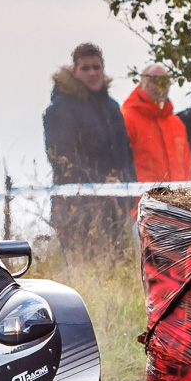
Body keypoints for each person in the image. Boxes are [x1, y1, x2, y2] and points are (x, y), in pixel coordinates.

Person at [42, 43, 135, 249]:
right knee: (84, 264)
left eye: (96, 67)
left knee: (121, 262)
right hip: (76, 209)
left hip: (117, 207)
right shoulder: (60, 109)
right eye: (85, 68)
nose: (92, 73)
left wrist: (129, 188)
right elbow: (60, 158)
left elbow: (126, 153)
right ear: (74, 71)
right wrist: (100, 181)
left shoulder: (112, 107)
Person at [121, 63, 191, 182]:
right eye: (154, 81)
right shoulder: (126, 119)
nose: (160, 87)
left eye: (165, 82)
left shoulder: (176, 123)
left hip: (178, 193)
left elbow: (187, 167)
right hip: (143, 193)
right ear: (141, 83)